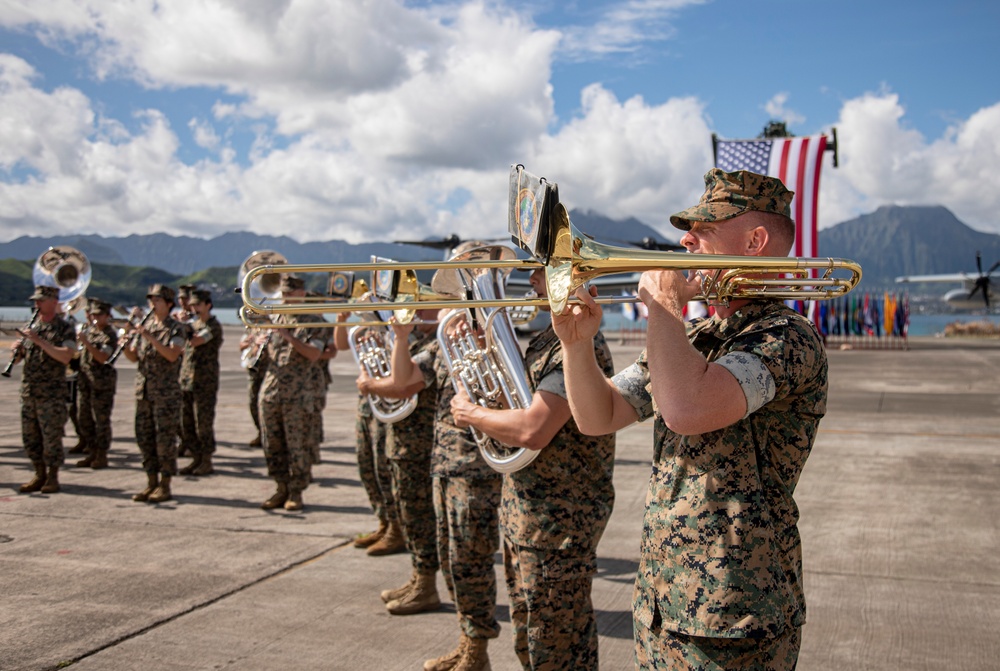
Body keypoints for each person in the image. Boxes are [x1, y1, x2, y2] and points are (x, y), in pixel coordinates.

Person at [552, 168, 827, 670]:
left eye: (703, 229)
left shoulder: (787, 338)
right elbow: (600, 415)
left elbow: (686, 410)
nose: (684, 241)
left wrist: (662, 309)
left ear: (755, 241)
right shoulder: (694, 334)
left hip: (736, 616)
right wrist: (576, 343)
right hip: (664, 601)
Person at [450, 267, 616, 671]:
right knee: (531, 636)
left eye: (542, 273)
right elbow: (516, 407)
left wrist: (472, 412)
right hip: (527, 514)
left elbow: (532, 428)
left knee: (557, 645)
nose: (531, 280)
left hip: (558, 520)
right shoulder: (547, 342)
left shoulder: (576, 349)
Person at [356, 305, 441, 614]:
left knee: (420, 517)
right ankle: (419, 577)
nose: (414, 310)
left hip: (420, 447)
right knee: (409, 513)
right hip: (403, 443)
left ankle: (426, 584)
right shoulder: (419, 339)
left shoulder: (436, 344)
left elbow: (402, 385)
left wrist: (368, 385)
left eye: (423, 304)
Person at [334, 313, 403, 554]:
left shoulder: (395, 317)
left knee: (385, 469)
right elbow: (342, 344)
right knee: (367, 466)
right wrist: (343, 319)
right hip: (368, 401)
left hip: (389, 402)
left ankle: (397, 527)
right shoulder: (368, 318)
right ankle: (383, 521)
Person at [258, 275, 327, 512]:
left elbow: (313, 354)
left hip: (298, 394)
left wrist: (286, 334)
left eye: (290, 292)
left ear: (302, 293)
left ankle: (296, 491)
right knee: (272, 444)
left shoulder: (313, 321)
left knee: (297, 445)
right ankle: (280, 487)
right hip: (271, 391)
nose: (286, 297)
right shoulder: (276, 317)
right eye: (283, 292)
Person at [122, 284, 186, 503]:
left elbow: (171, 354)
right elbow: (134, 358)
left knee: (165, 441)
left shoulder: (176, 328)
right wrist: (124, 346)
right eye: (151, 300)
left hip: (165, 394)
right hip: (144, 393)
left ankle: (165, 484)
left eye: (157, 300)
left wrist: (149, 336)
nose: (152, 304)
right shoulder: (145, 327)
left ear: (169, 304)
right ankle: (151, 482)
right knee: (144, 438)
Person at [14, 285, 76, 494]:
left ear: (53, 301)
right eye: (35, 301)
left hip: (51, 394)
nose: (36, 304)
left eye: (41, 300)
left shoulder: (64, 328)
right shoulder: (32, 326)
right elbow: (20, 360)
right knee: (30, 437)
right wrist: (18, 351)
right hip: (29, 391)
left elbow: (66, 356)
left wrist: (39, 341)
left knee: (51, 437)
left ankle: (52, 476)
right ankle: (38, 473)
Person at [178, 289, 224, 476]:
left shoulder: (213, 326)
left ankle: (206, 460)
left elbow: (196, 341)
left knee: (202, 423)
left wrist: (184, 326)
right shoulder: (192, 324)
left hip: (205, 381)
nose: (195, 308)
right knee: (186, 422)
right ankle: (195, 457)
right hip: (187, 379)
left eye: (198, 305)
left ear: (208, 305)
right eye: (193, 305)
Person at [74, 298, 119, 469]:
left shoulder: (109, 335)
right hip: (86, 382)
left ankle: (101, 454)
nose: (95, 318)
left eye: (99, 315)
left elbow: (102, 357)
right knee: (84, 418)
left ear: (107, 316)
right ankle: (91, 451)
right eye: (93, 315)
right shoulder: (90, 331)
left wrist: (86, 342)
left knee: (101, 420)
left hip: (102, 384)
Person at [239, 323, 270, 447]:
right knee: (253, 403)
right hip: (254, 372)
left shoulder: (271, 330)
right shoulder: (252, 330)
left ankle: (267, 434)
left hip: (267, 373)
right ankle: (260, 432)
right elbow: (241, 346)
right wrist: (254, 343)